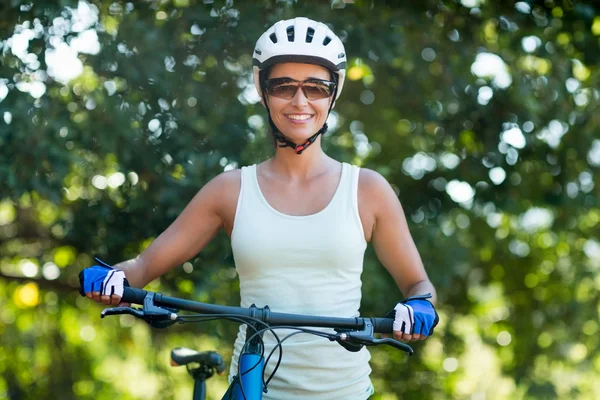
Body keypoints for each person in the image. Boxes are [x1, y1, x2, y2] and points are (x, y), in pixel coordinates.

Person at [80, 17, 438, 400]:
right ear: (263, 92)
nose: (300, 101)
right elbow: (143, 267)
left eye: (315, 87)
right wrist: (113, 278)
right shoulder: (230, 190)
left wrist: (418, 307)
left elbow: (420, 286)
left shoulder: (367, 190)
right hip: (253, 388)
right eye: (283, 86)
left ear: (333, 94)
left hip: (345, 390)